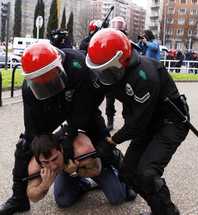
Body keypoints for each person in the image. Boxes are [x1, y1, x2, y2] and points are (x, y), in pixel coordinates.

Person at [0, 41, 132, 215]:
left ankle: (126, 179)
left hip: (80, 107)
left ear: (59, 66)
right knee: (26, 145)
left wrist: (71, 135)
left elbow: (91, 101)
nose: (46, 85)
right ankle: (19, 199)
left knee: (102, 138)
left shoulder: (78, 64)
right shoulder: (28, 89)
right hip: (50, 107)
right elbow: (32, 125)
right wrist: (42, 143)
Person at [85, 28, 190, 215]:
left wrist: (111, 141)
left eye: (106, 67)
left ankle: (168, 213)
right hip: (147, 122)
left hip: (170, 122)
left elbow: (136, 124)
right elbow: (94, 96)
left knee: (147, 174)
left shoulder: (145, 75)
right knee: (127, 173)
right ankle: (158, 209)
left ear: (121, 60)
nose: (103, 74)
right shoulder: (112, 72)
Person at [27, 132, 135, 207]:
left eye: (55, 159)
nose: (53, 166)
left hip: (95, 164)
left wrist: (75, 172)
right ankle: (85, 184)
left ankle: (115, 170)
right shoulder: (35, 164)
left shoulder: (81, 149)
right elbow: (32, 197)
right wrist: (44, 186)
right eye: (46, 162)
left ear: (61, 149)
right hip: (70, 170)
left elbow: (96, 169)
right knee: (63, 201)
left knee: (117, 198)